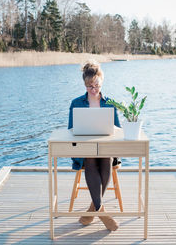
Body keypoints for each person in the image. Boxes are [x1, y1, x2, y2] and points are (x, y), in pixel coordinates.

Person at [68, 60, 121, 231]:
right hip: (85, 149)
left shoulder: (110, 102)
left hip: (106, 149)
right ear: (85, 85)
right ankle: (102, 212)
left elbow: (118, 130)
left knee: (105, 157)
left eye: (96, 85)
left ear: (101, 81)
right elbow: (71, 130)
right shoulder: (76, 103)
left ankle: (93, 210)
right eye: (90, 86)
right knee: (90, 157)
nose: (93, 89)